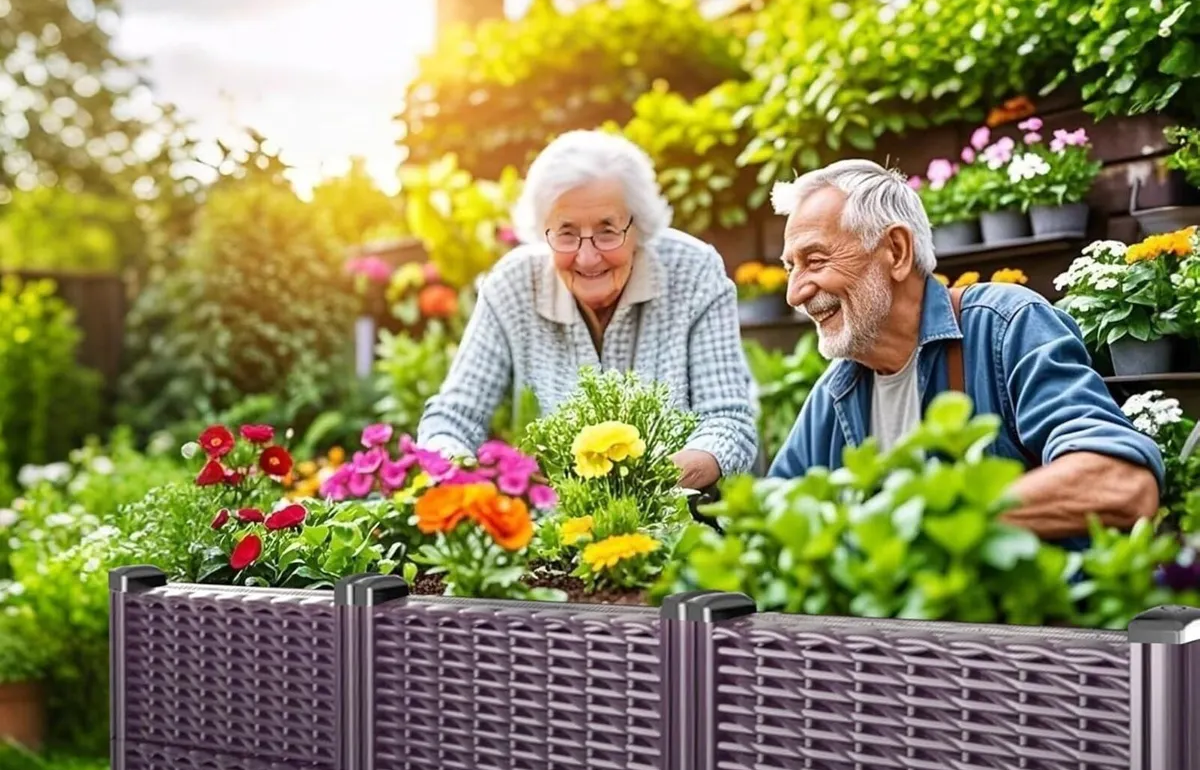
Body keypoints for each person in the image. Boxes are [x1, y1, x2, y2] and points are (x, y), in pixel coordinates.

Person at [767, 159, 1163, 540]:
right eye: (790, 268)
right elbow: (771, 519)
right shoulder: (837, 390)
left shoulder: (1007, 326)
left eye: (815, 261)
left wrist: (926, 519)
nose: (794, 293)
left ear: (897, 251)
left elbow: (1121, 483)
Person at [417, 129, 759, 488]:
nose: (587, 256)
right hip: (550, 526)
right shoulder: (513, 285)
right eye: (565, 232)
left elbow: (728, 422)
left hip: (678, 516)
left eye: (607, 230)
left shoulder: (694, 272)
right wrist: (461, 476)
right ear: (542, 230)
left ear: (638, 225)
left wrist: (648, 484)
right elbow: (453, 417)